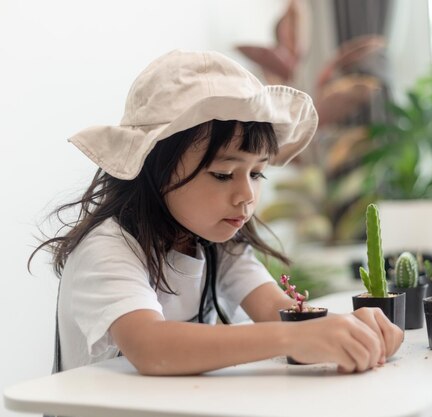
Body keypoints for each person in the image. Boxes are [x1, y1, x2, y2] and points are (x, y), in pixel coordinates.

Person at [30, 50, 403, 376]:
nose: (246, 195)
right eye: (223, 174)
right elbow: (151, 347)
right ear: (154, 169)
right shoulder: (109, 248)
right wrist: (296, 336)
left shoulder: (217, 242)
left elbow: (276, 310)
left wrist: (347, 329)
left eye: (257, 173)